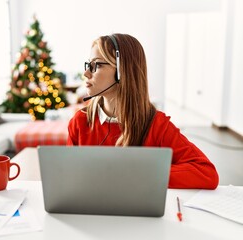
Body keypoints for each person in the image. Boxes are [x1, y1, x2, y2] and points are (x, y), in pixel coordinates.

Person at [67, 33, 219, 189]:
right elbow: (70, 176)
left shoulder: (157, 125)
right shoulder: (80, 122)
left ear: (122, 71)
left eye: (97, 65)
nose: (86, 73)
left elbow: (207, 173)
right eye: (88, 65)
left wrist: (140, 174)